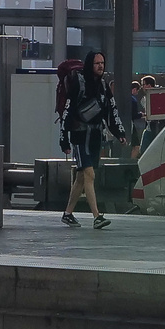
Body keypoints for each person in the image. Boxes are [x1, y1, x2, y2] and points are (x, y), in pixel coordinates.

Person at [58, 51, 127, 229]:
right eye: (97, 63)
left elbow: (112, 111)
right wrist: (64, 138)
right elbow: (68, 110)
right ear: (90, 65)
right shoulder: (78, 83)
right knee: (90, 174)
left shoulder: (103, 86)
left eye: (102, 63)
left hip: (96, 135)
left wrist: (119, 132)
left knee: (81, 177)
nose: (100, 66)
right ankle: (97, 216)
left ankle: (68, 213)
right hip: (80, 135)